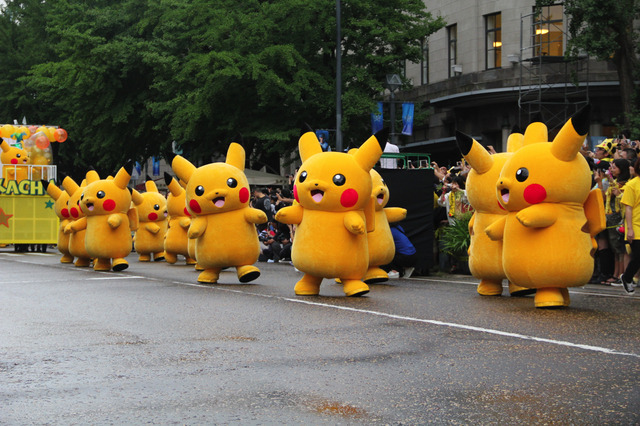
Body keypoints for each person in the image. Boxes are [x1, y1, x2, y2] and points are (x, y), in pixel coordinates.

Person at [619, 158, 640, 294]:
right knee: (638, 256)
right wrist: (630, 229)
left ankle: (628, 277)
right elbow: (628, 208)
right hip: (636, 226)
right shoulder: (632, 185)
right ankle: (627, 277)